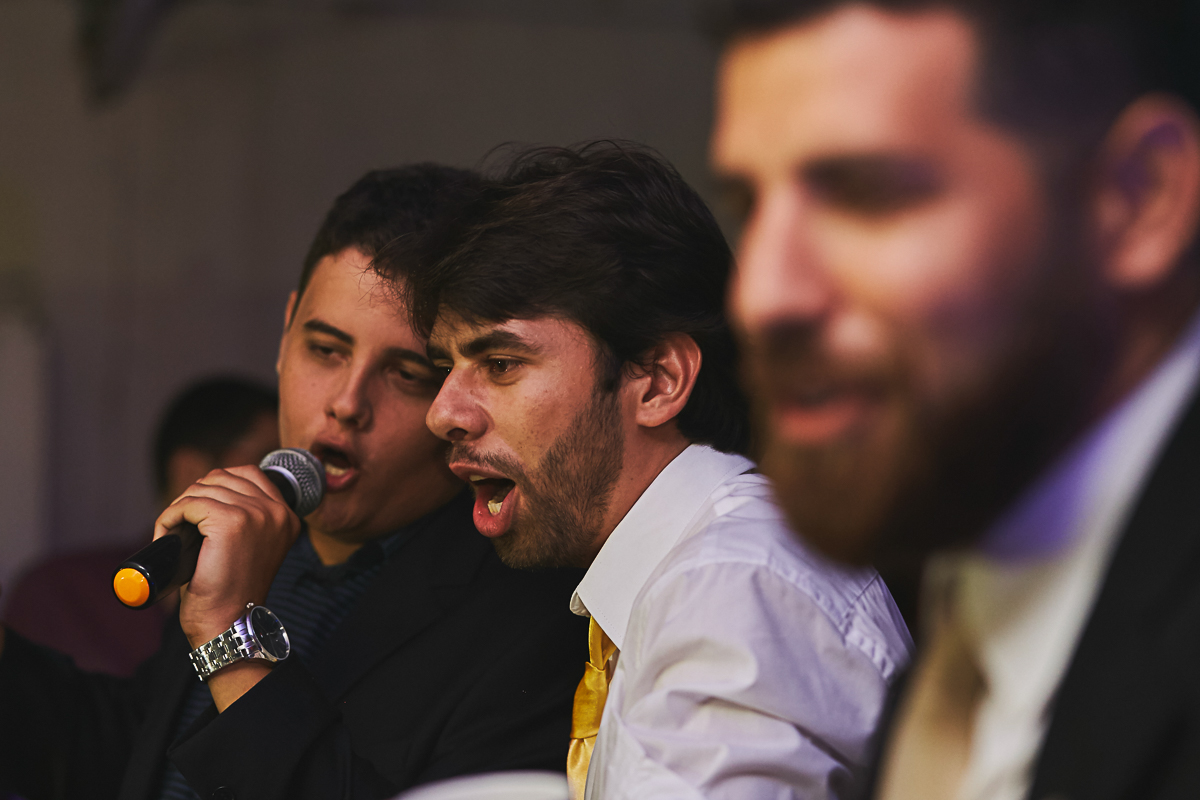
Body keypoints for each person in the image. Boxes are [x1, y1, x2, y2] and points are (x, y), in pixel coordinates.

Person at [709, 1, 1200, 799]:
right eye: (751, 205)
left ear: (1138, 199)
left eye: (866, 196)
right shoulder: (971, 570)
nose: (763, 294)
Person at [0, 165, 588, 800]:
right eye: (326, 351)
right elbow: (143, 750)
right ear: (284, 338)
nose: (346, 402)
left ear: (459, 397)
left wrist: (234, 639)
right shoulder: (261, 541)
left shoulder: (531, 622)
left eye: (407, 373)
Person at [377, 141, 912, 800]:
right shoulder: (698, 574)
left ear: (657, 381)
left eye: (502, 363)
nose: (443, 413)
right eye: (444, 368)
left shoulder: (730, 587)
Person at [3, 376, 279, 677]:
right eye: (266, 464)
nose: (279, 490)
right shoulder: (60, 592)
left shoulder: (279, 603)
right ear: (192, 472)